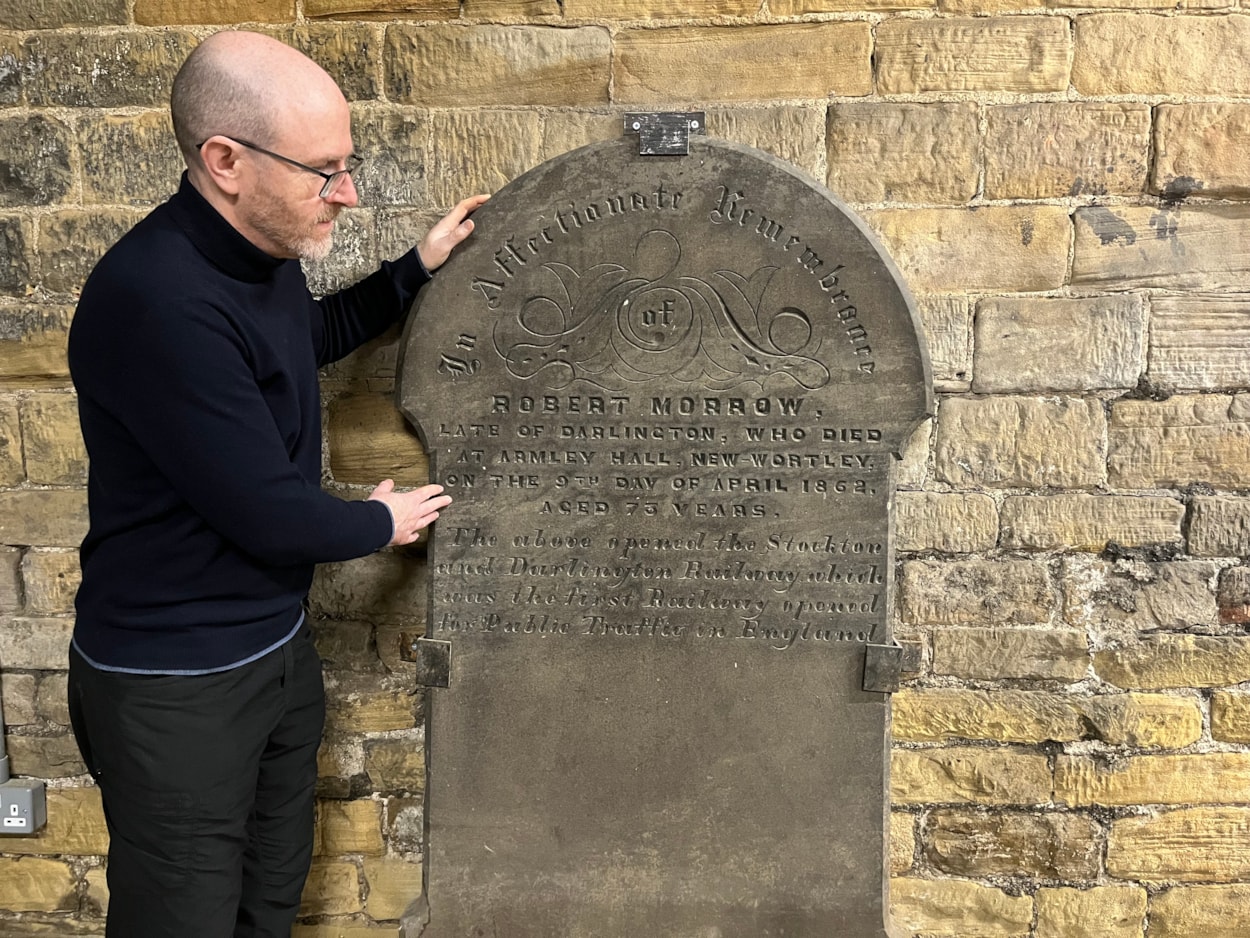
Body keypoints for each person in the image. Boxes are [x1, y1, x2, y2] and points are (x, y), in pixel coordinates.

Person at [65, 30, 488, 938]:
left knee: (268, 897)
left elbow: (303, 339)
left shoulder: (252, 259)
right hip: (176, 683)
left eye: (348, 163)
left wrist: (412, 273)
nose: (348, 192)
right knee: (182, 917)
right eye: (323, 170)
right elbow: (268, 515)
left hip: (271, 650)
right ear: (225, 161)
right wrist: (380, 522)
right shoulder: (159, 301)